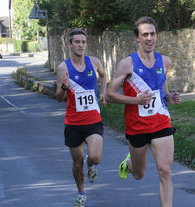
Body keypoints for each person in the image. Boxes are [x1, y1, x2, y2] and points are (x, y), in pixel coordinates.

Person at [105, 16, 181, 207]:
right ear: (137, 38)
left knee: (165, 170)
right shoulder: (127, 64)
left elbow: (162, 89)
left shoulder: (164, 61)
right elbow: (109, 95)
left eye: (152, 34)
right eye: (145, 34)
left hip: (161, 122)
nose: (149, 38)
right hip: (137, 127)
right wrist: (135, 100)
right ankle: (129, 164)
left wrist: (169, 98)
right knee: (139, 174)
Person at [55, 29, 107, 207]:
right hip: (73, 123)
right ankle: (81, 194)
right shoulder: (63, 67)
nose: (81, 45)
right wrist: (63, 86)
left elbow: (104, 74)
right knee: (77, 164)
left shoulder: (94, 62)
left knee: (95, 157)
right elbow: (59, 98)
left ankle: (91, 164)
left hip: (93, 119)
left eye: (83, 42)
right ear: (70, 44)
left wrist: (104, 92)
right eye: (77, 42)